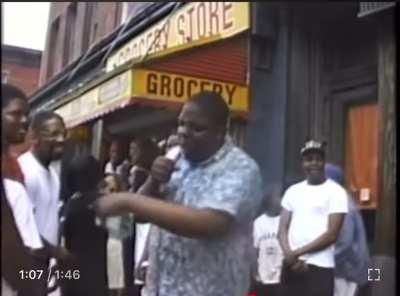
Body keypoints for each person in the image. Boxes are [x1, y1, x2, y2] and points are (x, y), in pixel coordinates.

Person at [94, 91, 263, 296]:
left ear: (220, 131)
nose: (184, 132)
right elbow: (139, 217)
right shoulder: (175, 156)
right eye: (181, 124)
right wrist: (153, 181)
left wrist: (129, 201)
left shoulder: (240, 168)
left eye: (197, 128)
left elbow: (211, 224)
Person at [278, 140, 348, 296]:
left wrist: (297, 254)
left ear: (324, 162)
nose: (314, 163)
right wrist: (290, 255)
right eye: (309, 159)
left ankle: (373, 278)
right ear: (303, 163)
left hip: (321, 266)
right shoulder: (292, 191)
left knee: (375, 276)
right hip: (291, 266)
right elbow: (282, 228)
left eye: (318, 159)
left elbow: (332, 234)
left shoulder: (336, 192)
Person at [17, 111, 72, 295]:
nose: (61, 139)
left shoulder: (53, 175)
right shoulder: (25, 171)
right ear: (34, 137)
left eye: (63, 133)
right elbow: (21, 228)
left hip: (43, 267)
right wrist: (55, 251)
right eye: (54, 133)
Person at [1, 84, 48, 296]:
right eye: (15, 114)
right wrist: (31, 285)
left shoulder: (12, 164)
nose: (24, 121)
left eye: (26, 114)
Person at [60, 151, 108, 296]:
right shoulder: (110, 204)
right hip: (100, 276)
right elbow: (119, 243)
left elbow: (62, 240)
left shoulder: (68, 207)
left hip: (73, 276)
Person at [324, 164, 370, 296]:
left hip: (350, 273)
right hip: (350, 271)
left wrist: (323, 259)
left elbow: (344, 243)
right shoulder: (340, 200)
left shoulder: (342, 204)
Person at [252, 184, 284, 296]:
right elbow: (254, 251)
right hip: (263, 277)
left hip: (282, 277)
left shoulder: (286, 221)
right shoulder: (258, 223)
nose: (281, 200)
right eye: (278, 197)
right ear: (268, 200)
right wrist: (255, 274)